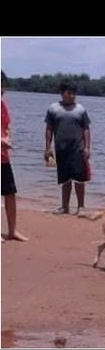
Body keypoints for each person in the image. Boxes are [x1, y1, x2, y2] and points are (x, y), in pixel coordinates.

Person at [44, 79, 91, 215]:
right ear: (61, 93)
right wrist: (48, 147)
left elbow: (86, 129)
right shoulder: (53, 109)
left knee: (79, 179)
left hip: (78, 148)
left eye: (74, 94)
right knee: (64, 179)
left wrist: (87, 147)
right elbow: (49, 129)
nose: (72, 96)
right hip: (61, 148)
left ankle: (81, 207)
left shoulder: (80, 110)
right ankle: (65, 207)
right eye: (69, 93)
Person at [1, 70, 28, 243]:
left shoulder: (2, 104)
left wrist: (8, 138)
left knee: (10, 193)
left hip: (3, 156)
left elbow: (6, 125)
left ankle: (12, 231)